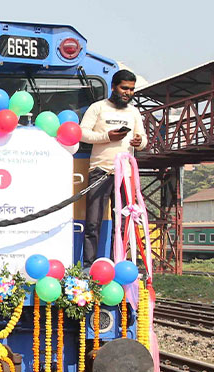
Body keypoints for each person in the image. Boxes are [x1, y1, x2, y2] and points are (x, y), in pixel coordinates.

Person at [79, 69, 148, 264]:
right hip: (100, 171)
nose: (128, 93)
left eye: (132, 89)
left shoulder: (133, 112)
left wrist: (138, 142)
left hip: (125, 173)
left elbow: (143, 139)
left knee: (123, 221)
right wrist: (106, 137)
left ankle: (117, 261)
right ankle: (89, 264)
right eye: (124, 88)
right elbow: (82, 133)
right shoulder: (97, 108)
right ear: (113, 87)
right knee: (93, 222)